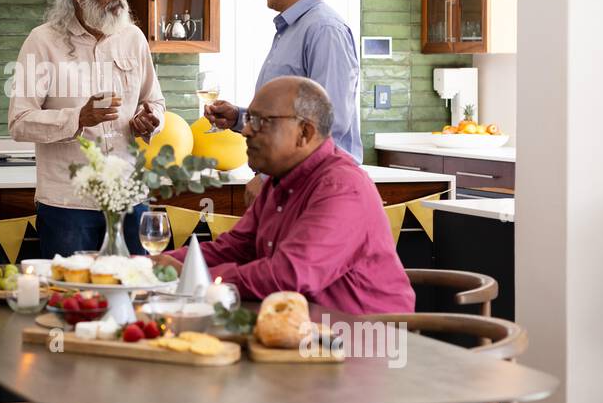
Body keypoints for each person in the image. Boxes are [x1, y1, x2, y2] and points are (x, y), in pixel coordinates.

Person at [7, 0, 164, 403]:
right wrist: (77, 115)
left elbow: (156, 103)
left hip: (128, 198)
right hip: (68, 202)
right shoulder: (41, 44)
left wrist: (149, 121)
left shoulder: (133, 38)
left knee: (133, 309)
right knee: (65, 317)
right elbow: (20, 121)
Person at [157, 76, 413, 314]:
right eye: (248, 121)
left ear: (305, 133)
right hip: (298, 332)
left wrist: (196, 278)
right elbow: (234, 248)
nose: (245, 131)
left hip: (365, 341)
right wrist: (151, 266)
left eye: (259, 122)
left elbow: (290, 275)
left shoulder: (342, 187)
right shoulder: (280, 179)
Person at [207, 0, 362, 204]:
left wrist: (269, 179)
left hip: (316, 192)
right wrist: (239, 118)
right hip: (294, 189)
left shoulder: (324, 30)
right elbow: (293, 119)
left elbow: (328, 125)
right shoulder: (292, 29)